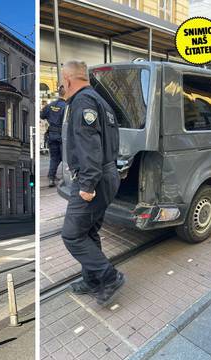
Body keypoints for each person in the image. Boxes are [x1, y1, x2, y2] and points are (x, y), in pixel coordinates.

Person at [60, 59, 124, 306]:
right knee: (88, 231)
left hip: (93, 179)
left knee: (72, 235)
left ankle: (109, 277)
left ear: (67, 79)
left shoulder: (83, 102)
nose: (60, 86)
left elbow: (90, 148)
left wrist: (87, 185)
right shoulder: (100, 100)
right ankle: (92, 279)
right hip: (106, 175)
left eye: (61, 81)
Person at [40, 85, 67, 187]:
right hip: (62, 136)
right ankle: (65, 178)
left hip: (51, 135)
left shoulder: (51, 105)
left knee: (54, 157)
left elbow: (42, 115)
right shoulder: (66, 106)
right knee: (65, 158)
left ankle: (51, 177)